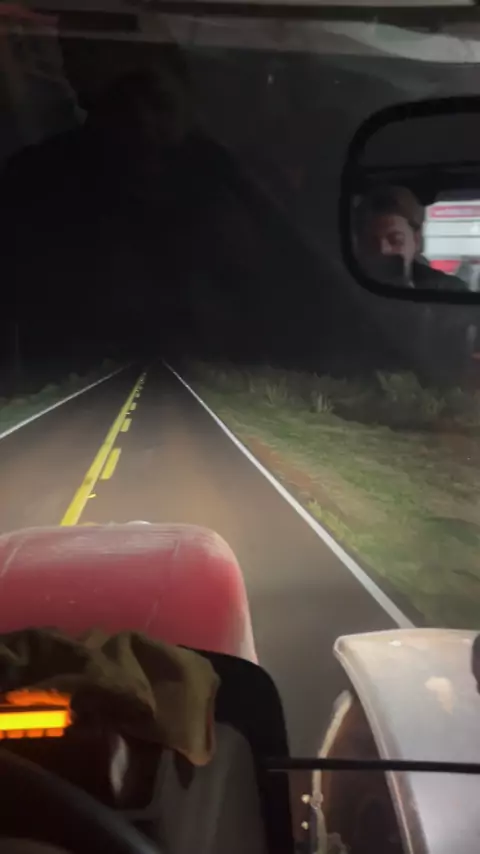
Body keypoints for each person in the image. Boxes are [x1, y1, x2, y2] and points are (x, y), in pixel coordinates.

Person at [354, 185, 467, 291]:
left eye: (396, 241)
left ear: (416, 241)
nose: (383, 250)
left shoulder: (448, 289)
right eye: (370, 242)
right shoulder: (350, 287)